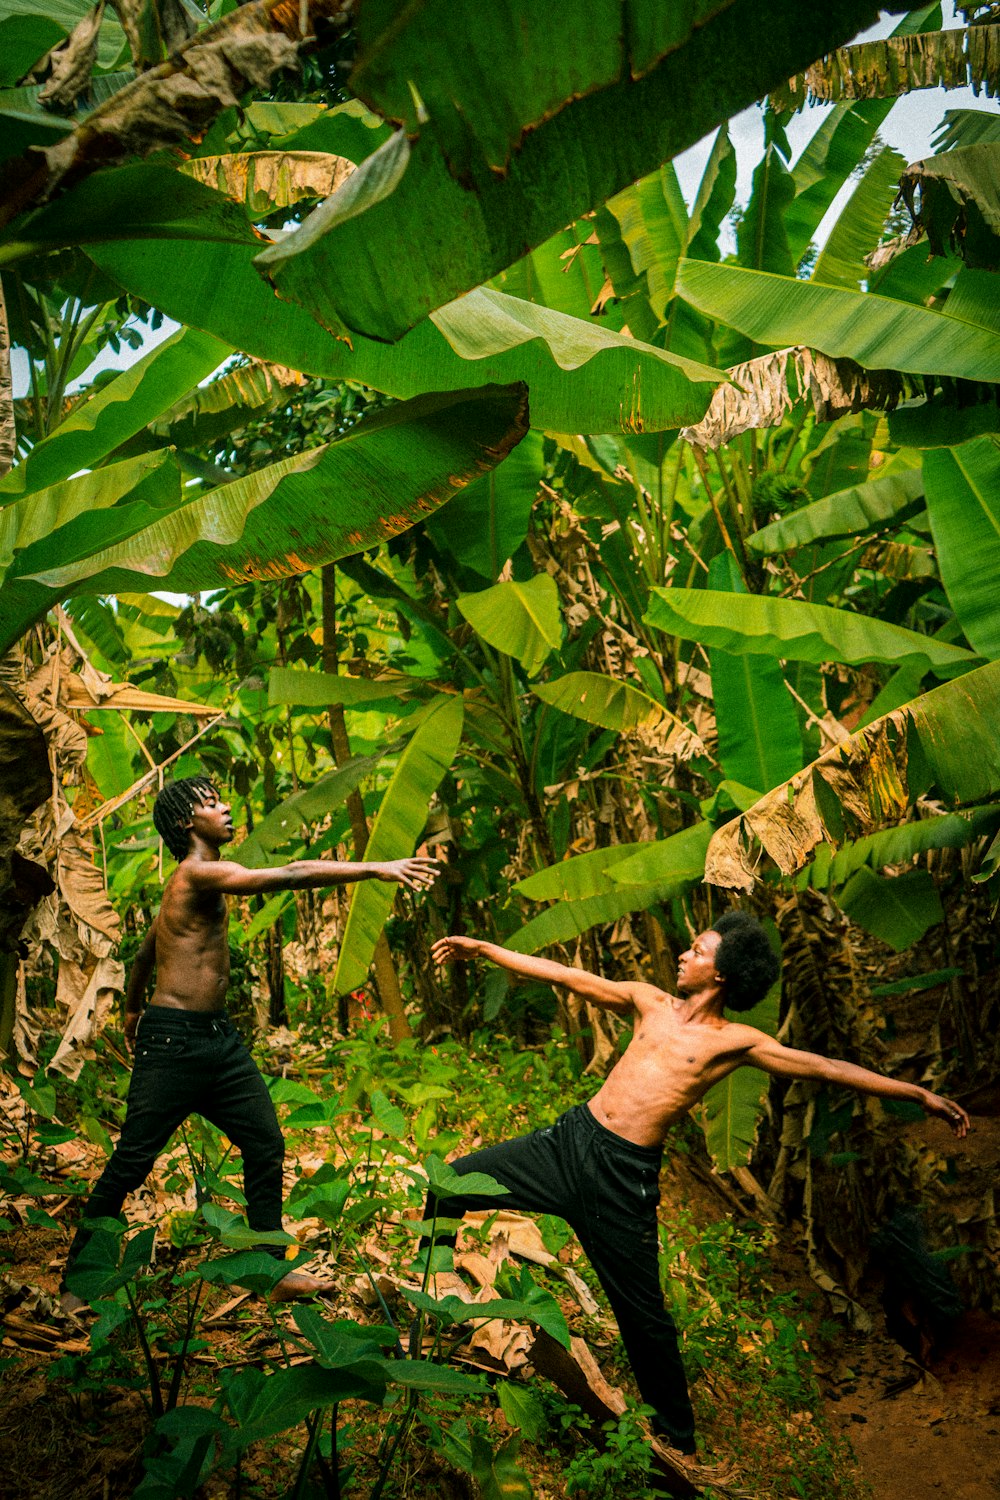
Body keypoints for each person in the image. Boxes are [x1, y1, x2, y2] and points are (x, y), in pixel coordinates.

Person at [429, 913, 970, 1471]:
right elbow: (567, 976)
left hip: (623, 1177)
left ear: (722, 976)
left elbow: (825, 1067)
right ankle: (436, 1289)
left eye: (697, 950)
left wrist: (916, 1093)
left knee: (644, 1316)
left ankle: (678, 1441)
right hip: (568, 1143)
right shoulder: (647, 1002)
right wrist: (486, 948)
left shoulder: (734, 1041)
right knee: (449, 1183)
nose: (684, 956)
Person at [61, 774, 438, 1313]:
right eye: (212, 804)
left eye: (221, 799)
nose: (227, 808)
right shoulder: (198, 873)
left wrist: (130, 1007)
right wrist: (377, 867)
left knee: (265, 1142)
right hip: (173, 1046)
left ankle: (269, 1270)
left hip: (218, 1043)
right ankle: (80, 1281)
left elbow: (146, 951)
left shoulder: (187, 883)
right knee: (132, 1162)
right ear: (187, 822)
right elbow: (289, 874)